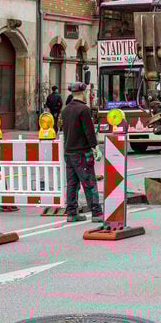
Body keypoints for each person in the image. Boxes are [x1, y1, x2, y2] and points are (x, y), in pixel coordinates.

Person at [59, 82, 103, 222]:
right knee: (89, 182)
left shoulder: (65, 110)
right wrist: (96, 148)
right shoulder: (84, 109)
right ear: (83, 93)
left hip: (69, 152)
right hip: (82, 152)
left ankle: (71, 213)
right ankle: (96, 213)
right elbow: (88, 131)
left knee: (72, 184)